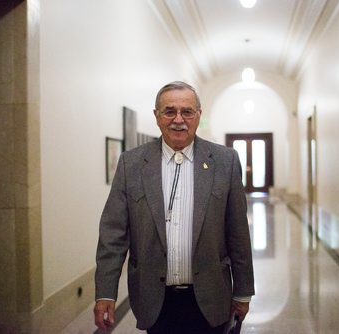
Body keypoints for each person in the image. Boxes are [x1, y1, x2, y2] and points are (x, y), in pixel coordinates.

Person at [94, 81, 254, 333]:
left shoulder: (225, 161)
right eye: (169, 111)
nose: (178, 119)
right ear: (157, 116)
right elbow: (113, 235)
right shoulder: (131, 164)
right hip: (154, 300)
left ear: (198, 116)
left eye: (187, 112)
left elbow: (238, 233)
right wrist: (105, 293)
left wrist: (243, 291)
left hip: (211, 297)